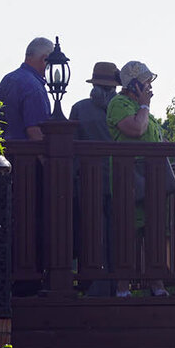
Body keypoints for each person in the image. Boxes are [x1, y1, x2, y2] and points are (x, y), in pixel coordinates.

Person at [106, 60, 170, 297]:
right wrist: (144, 107)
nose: (150, 87)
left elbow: (156, 138)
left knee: (154, 231)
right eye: (145, 82)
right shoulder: (119, 103)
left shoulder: (145, 110)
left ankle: (157, 285)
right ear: (133, 84)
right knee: (128, 233)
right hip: (129, 180)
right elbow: (136, 130)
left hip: (152, 181)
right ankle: (123, 288)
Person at [70, 61, 121, 297]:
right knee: (117, 236)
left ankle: (94, 286)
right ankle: (117, 287)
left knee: (91, 235)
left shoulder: (79, 108)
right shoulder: (122, 111)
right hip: (118, 182)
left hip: (87, 183)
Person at [0, 37, 53, 140]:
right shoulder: (34, 87)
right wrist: (44, 156)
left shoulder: (7, 79)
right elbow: (34, 131)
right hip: (26, 153)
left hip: (2, 151)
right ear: (44, 59)